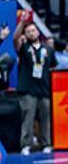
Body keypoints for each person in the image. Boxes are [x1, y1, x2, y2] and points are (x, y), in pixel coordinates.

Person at [16, 23, 56, 155]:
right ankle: (26, 145)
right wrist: (21, 24)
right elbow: (15, 39)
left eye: (33, 30)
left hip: (44, 88)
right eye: (28, 32)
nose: (31, 33)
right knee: (28, 117)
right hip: (28, 88)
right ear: (25, 34)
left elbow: (53, 67)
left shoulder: (48, 49)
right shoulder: (24, 47)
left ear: (38, 32)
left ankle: (47, 143)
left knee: (46, 118)